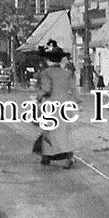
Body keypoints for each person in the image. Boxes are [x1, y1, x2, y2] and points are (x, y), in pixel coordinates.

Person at [35, 40, 77, 169]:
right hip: (65, 106)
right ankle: (68, 156)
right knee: (62, 132)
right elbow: (73, 90)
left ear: (48, 59)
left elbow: (46, 89)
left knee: (48, 131)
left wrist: (38, 98)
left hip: (50, 106)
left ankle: (47, 156)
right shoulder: (67, 73)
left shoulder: (45, 73)